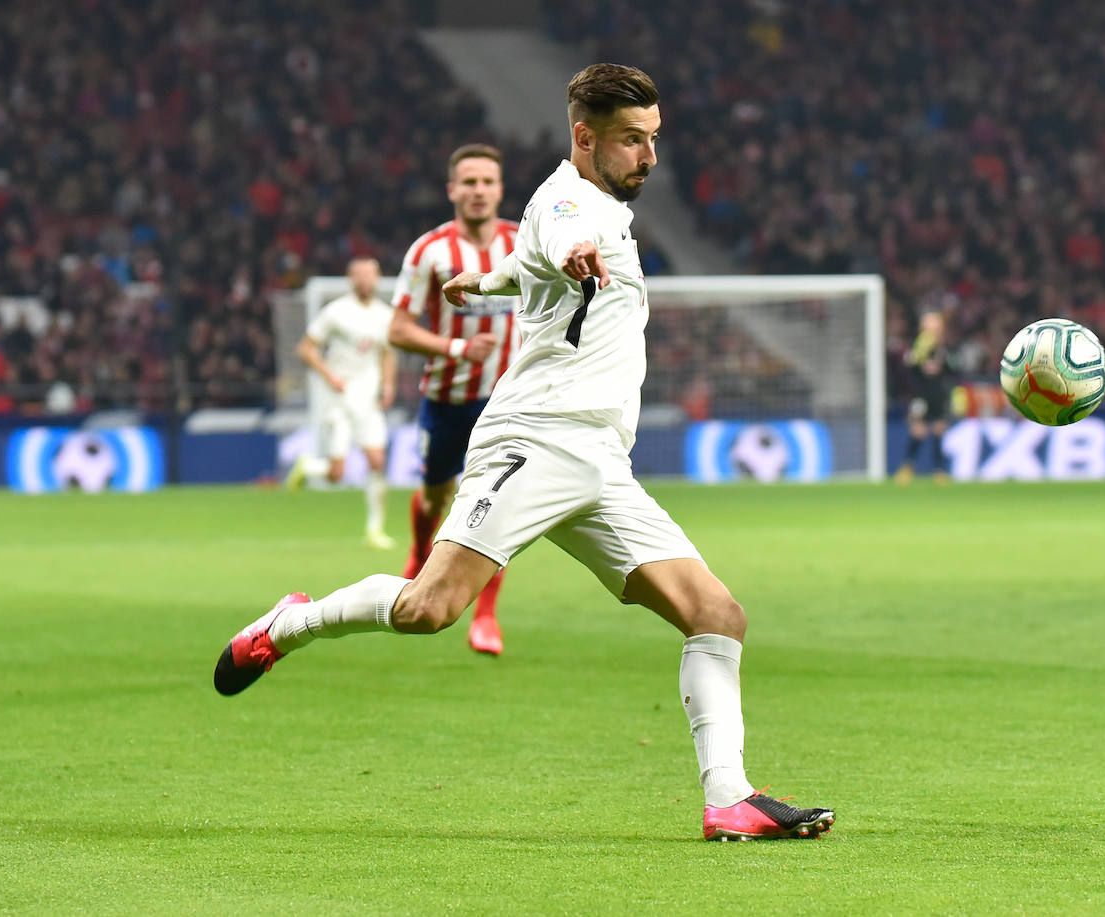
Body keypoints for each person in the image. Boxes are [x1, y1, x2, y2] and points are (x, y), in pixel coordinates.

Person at [213, 63, 834, 842]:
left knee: (716, 613)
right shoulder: (571, 202)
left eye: (654, 140)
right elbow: (562, 234)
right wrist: (574, 252)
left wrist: (485, 286)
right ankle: (292, 621)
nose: (649, 157)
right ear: (585, 137)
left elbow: (526, 262)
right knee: (427, 607)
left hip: (602, 462)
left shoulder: (596, 208)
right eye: (633, 141)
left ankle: (729, 798)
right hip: (537, 439)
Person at [388, 144, 518, 656]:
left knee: (497, 505)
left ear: (500, 189)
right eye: (469, 182)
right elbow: (397, 329)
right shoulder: (430, 252)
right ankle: (420, 551)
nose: (479, 191)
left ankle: (485, 616)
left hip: (509, 402)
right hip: (446, 397)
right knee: (437, 496)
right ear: (452, 191)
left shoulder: (522, 244)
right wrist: (458, 348)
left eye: (487, 181)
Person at [286, 257, 397, 549]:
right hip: (338, 398)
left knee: (377, 461)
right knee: (337, 474)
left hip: (368, 399)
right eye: (360, 275)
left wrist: (388, 385)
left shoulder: (385, 315)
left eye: (370, 274)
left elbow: (387, 353)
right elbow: (306, 348)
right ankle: (309, 466)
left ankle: (375, 529)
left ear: (377, 278)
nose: (365, 280)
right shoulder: (335, 312)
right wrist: (329, 375)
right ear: (351, 279)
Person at [894, 311, 953, 484]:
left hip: (938, 394)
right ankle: (907, 467)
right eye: (928, 325)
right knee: (918, 431)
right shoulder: (917, 345)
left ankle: (939, 470)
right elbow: (910, 368)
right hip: (920, 394)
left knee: (938, 430)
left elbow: (952, 369)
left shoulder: (944, 348)